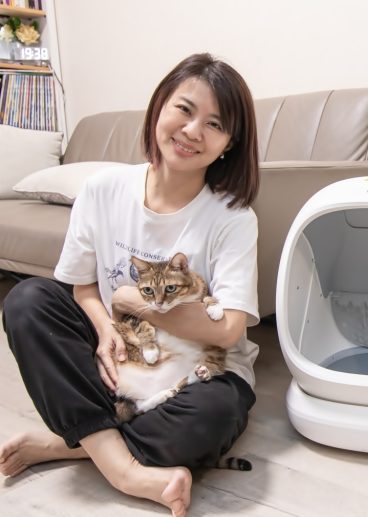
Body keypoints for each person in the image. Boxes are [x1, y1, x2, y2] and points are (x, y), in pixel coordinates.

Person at [0, 53, 260, 517]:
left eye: (215, 124)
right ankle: (126, 468)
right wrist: (105, 328)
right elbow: (81, 287)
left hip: (198, 368)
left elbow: (227, 331)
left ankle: (77, 443)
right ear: (159, 106)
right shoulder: (103, 190)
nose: (193, 131)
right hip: (123, 355)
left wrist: (130, 301)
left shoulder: (233, 218)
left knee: (213, 416)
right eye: (184, 109)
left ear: (229, 144)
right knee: (27, 302)